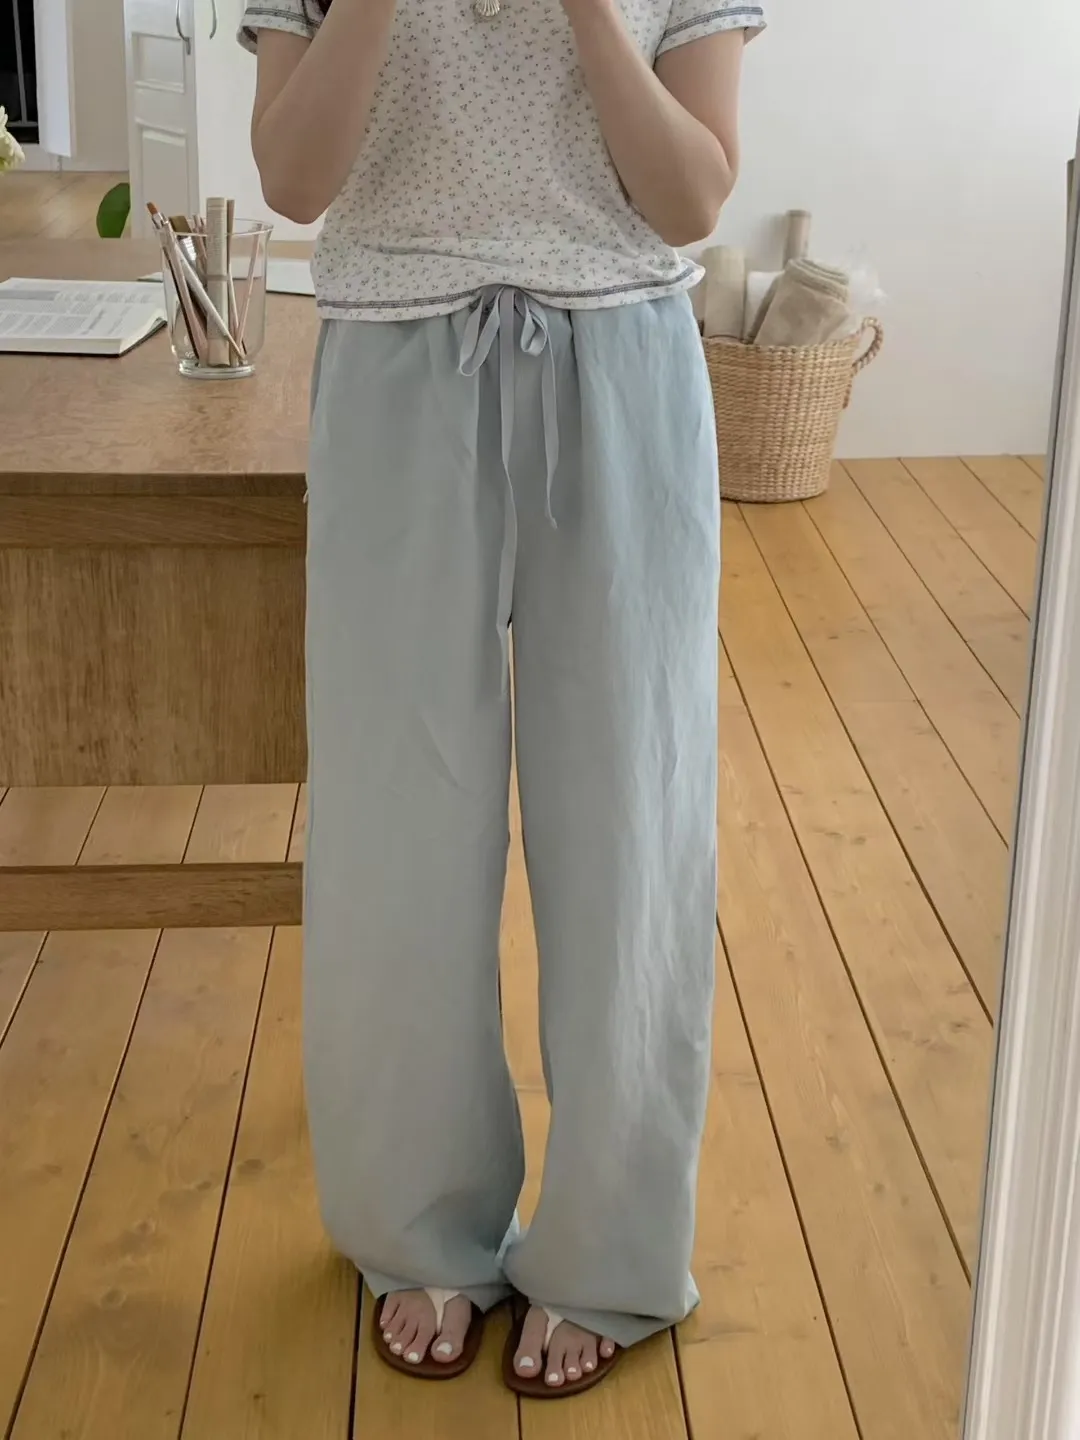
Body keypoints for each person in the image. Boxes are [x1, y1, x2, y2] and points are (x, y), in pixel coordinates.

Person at [239, 0, 763, 1398]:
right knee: (395, 833)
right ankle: (420, 1230)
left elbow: (693, 198)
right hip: (396, 368)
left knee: (630, 829)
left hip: (622, 365)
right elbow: (294, 181)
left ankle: (610, 1251)